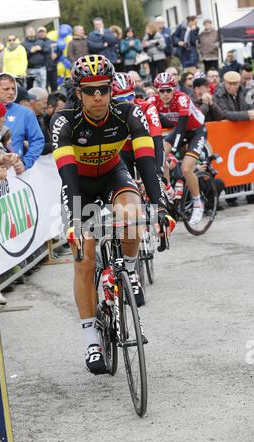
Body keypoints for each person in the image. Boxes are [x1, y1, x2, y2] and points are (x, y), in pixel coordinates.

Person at [50, 55, 175, 374]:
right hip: (79, 184)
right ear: (78, 93)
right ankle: (91, 338)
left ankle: (129, 270)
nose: (97, 96)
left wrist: (158, 206)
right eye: (90, 90)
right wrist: (78, 222)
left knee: (134, 213)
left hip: (112, 174)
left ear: (110, 90)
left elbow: (147, 160)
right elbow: (67, 176)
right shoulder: (65, 121)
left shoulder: (128, 113)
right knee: (85, 256)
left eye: (103, 89)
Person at [152, 72, 207, 225]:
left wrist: (175, 150)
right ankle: (169, 189)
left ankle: (197, 203)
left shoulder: (182, 98)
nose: (165, 94)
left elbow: (182, 127)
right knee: (159, 154)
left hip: (196, 131)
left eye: (168, 90)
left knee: (186, 169)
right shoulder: (153, 100)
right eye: (161, 91)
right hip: (178, 131)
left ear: (174, 89)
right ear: (157, 91)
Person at [111, 72, 165, 180]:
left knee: (154, 183)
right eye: (121, 98)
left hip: (146, 150)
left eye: (130, 96)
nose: (127, 101)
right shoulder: (107, 112)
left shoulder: (147, 108)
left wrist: (159, 172)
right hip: (123, 153)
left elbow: (158, 142)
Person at [0, 72, 45, 173]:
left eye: (13, 88)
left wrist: (25, 163)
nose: (11, 92)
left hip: (15, 173)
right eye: (6, 89)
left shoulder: (25, 113)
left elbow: (37, 140)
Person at [28, 87, 52, 155]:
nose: (46, 106)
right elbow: (34, 147)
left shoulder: (43, 117)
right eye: (44, 102)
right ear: (34, 101)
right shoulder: (25, 120)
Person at [37, 26, 58, 92]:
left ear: (46, 33)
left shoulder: (52, 42)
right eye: (40, 32)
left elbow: (59, 52)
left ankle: (54, 101)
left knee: (54, 86)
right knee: (44, 87)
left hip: (52, 67)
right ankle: (45, 101)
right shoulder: (36, 43)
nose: (41, 33)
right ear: (38, 34)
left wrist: (56, 55)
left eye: (43, 32)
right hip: (42, 68)